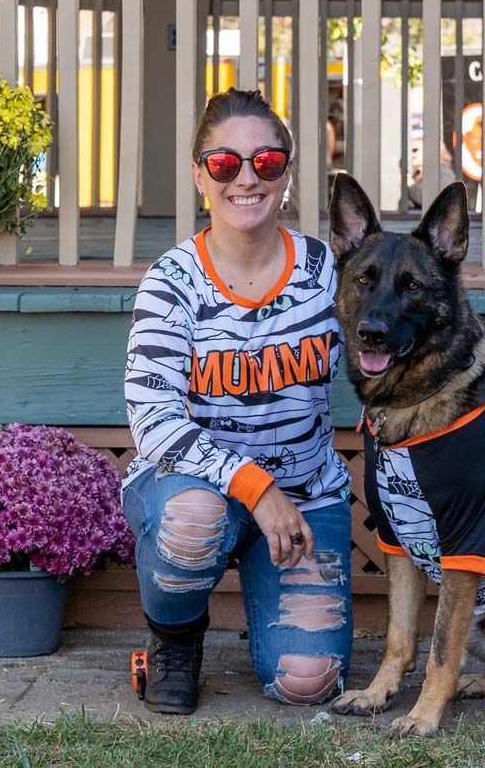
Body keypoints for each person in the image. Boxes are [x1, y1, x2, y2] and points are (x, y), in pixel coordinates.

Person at [122, 88, 353, 714]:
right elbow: (155, 422)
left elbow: (416, 342)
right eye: (225, 163)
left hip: (304, 494)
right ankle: (173, 641)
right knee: (192, 521)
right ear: (201, 175)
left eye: (266, 162)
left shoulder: (326, 272)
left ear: (285, 173)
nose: (246, 177)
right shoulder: (173, 281)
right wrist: (254, 486)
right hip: (193, 491)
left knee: (310, 681)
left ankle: (271, 592)